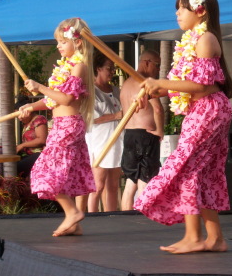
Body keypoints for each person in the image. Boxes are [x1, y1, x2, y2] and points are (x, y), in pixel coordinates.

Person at [134, 0, 232, 254]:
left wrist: (160, 82)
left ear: (200, 10)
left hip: (208, 109)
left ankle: (193, 236)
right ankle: (215, 238)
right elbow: (185, 85)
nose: (177, 14)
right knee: (202, 170)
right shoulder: (192, 40)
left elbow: (200, 86)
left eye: (182, 8)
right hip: (202, 108)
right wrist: (154, 90)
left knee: (188, 168)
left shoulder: (205, 40)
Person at [19, 18, 96, 237]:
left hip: (68, 126)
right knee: (66, 174)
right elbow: (52, 100)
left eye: (62, 41)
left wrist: (40, 85)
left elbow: (66, 98)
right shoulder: (67, 66)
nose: (58, 46)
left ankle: (72, 212)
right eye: (58, 41)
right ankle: (74, 223)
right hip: (65, 125)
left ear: (77, 42)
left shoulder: (79, 66)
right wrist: (31, 105)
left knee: (44, 171)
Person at [77, 52, 123, 213]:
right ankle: (92, 214)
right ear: (98, 69)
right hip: (100, 141)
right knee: (98, 183)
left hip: (117, 140)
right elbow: (91, 118)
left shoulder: (116, 90)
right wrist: (116, 116)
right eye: (108, 68)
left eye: (113, 69)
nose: (111, 72)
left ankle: (111, 215)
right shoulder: (91, 91)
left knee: (113, 183)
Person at [119, 50, 163, 211]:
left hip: (129, 134)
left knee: (131, 180)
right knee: (145, 177)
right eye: (157, 65)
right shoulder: (144, 82)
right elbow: (158, 109)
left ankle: (125, 214)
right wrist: (159, 130)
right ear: (146, 62)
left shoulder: (126, 83)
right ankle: (143, 214)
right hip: (146, 134)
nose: (158, 70)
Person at [14, 95, 48, 180]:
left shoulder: (39, 119)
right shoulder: (26, 123)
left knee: (16, 168)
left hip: (39, 155)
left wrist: (22, 145)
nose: (19, 118)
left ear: (28, 111)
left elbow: (42, 139)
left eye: (19, 115)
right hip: (28, 155)